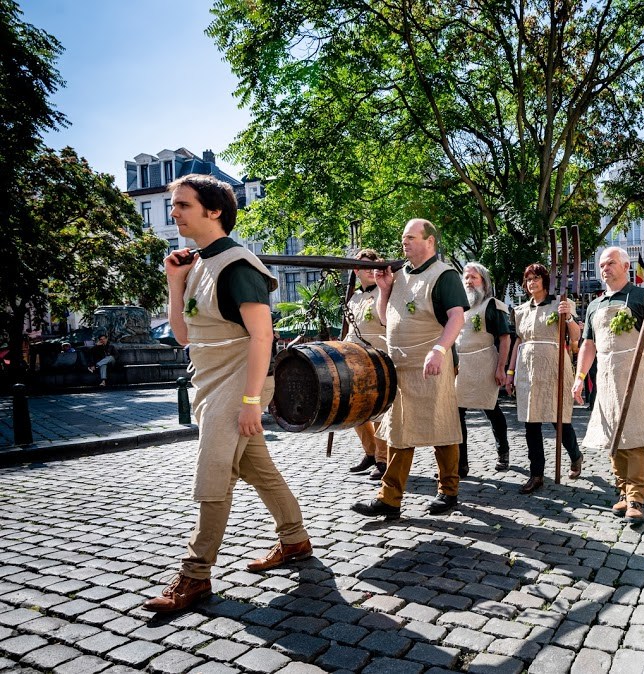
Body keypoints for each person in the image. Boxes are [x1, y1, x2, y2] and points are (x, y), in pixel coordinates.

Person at [144, 175, 311, 614]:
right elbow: (183, 335)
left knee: (212, 471)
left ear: (213, 210)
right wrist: (174, 281)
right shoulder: (196, 264)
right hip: (209, 379)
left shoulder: (238, 265)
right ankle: (294, 538)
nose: (173, 213)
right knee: (259, 469)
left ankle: (195, 575)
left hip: (238, 381)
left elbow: (263, 337)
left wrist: (252, 401)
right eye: (172, 205)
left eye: (182, 205)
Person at [352, 219, 468, 519]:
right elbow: (385, 319)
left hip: (432, 363)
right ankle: (389, 498)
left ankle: (448, 491)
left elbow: (457, 318)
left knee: (441, 426)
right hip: (400, 367)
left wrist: (440, 350)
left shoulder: (444, 275)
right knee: (398, 431)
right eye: (403, 237)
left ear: (429, 241)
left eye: (411, 237)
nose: (404, 242)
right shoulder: (399, 275)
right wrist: (385, 289)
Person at [572, 247, 644, 525]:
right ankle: (623, 490)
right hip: (607, 376)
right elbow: (587, 346)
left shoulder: (641, 296)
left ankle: (637, 497)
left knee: (635, 433)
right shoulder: (594, 305)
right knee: (613, 435)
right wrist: (579, 378)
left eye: (611, 263)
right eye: (602, 264)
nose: (605, 268)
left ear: (626, 266)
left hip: (637, 373)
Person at [505, 263, 583, 494]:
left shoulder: (559, 304)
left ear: (545, 281)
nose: (532, 283)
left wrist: (567, 316)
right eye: (528, 279)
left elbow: (576, 335)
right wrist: (510, 373)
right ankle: (536, 474)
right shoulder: (520, 311)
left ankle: (575, 454)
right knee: (531, 423)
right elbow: (518, 342)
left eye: (536, 278)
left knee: (558, 420)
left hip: (553, 368)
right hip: (528, 370)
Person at [456, 261, 512, 476]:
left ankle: (503, 452)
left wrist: (501, 368)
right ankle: (461, 463)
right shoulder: (459, 307)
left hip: (484, 363)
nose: (469, 282)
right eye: (466, 278)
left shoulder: (492, 305)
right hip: (462, 366)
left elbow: (505, 339)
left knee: (491, 409)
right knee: (457, 413)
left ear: (484, 282)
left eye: (474, 278)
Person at [345, 249, 390, 481]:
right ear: (356, 270)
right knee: (356, 410)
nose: (371, 271)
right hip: (354, 360)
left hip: (378, 359)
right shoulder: (353, 298)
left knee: (380, 411)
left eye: (374, 266)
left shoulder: (385, 292)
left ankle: (383, 459)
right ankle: (370, 453)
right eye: (365, 267)